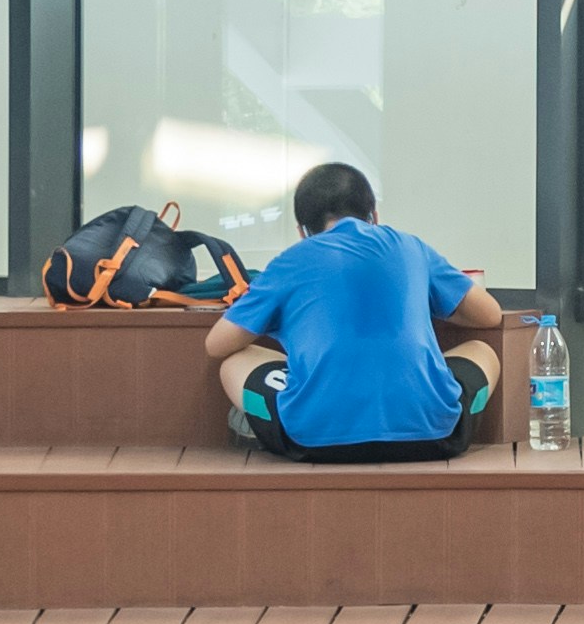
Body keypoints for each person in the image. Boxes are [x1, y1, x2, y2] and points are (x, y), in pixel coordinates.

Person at [205, 157, 511, 460]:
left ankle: (268, 418)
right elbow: (489, 314)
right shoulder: (411, 247)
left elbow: (217, 344)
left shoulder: (290, 261)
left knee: (236, 362)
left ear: (302, 230)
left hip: (312, 441)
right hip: (435, 436)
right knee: (482, 352)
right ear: (374, 215)